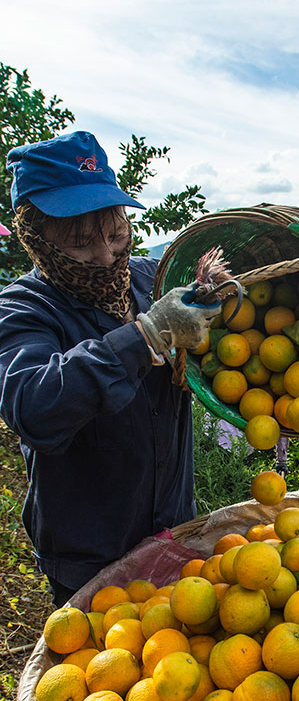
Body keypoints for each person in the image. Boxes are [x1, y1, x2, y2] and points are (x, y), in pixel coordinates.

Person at [0, 131, 224, 606]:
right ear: (35, 239)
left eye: (117, 233)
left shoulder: (150, 279)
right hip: (90, 559)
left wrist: (217, 297)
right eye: (80, 242)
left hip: (175, 533)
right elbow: (34, 406)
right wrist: (145, 336)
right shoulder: (22, 310)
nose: (105, 255)